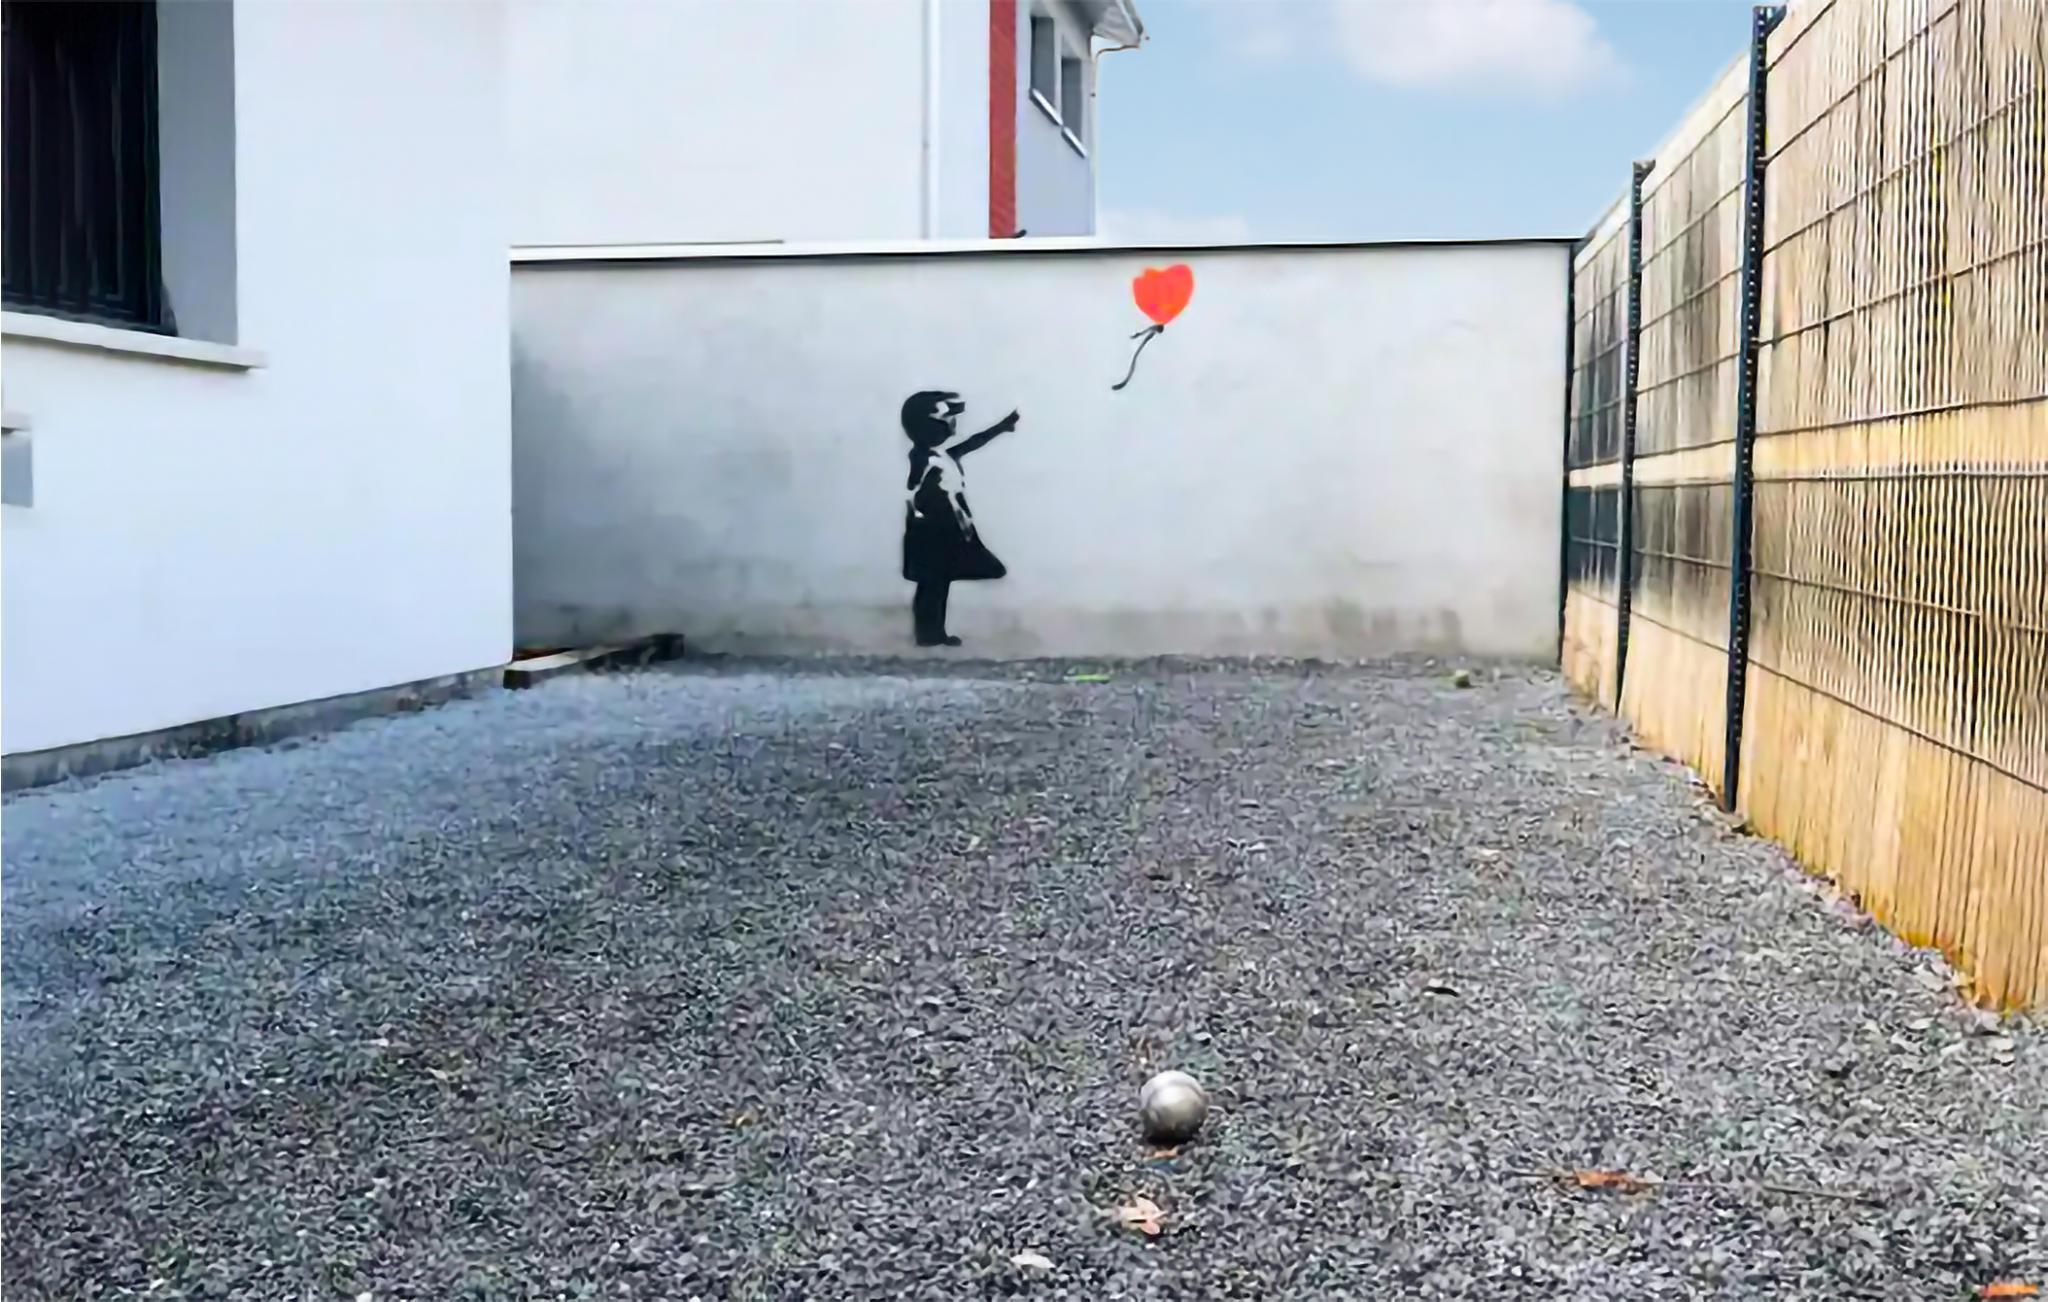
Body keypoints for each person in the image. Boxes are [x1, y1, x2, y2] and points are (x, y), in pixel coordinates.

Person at [899, 390, 1020, 647]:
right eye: (945, 418)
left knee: (938, 582)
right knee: (932, 584)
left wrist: (1000, 428)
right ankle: (927, 634)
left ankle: (933, 633)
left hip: (944, 528)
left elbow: (972, 443)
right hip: (931, 530)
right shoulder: (923, 458)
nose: (952, 423)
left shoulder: (941, 456)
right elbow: (916, 489)